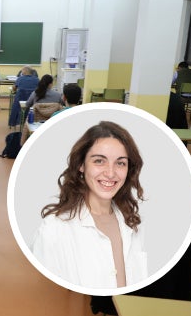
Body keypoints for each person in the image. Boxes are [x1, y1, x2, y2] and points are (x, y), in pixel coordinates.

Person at [32, 121, 147, 289]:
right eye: (99, 161)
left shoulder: (133, 223)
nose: (110, 173)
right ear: (81, 165)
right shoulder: (54, 230)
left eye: (120, 163)